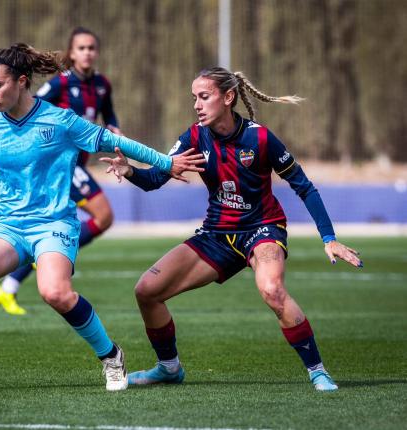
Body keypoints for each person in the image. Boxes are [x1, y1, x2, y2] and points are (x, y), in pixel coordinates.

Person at [0, 43, 206, 393]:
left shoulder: (61, 121)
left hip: (54, 224)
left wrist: (166, 162)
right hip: (8, 226)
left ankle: (111, 356)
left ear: (22, 82)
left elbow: (115, 141)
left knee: (55, 292)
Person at [100, 66, 362, 392]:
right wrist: (130, 171)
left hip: (262, 229)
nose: (196, 105)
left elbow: (304, 186)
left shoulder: (260, 137)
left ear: (228, 97)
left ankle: (318, 371)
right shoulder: (193, 137)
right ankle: (169, 369)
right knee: (146, 291)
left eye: (204, 97)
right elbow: (155, 180)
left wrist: (330, 238)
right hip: (217, 234)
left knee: (272, 290)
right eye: (194, 97)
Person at [0, 27, 121, 315]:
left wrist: (114, 128)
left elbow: (109, 114)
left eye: (91, 48)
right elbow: (32, 107)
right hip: (62, 165)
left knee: (77, 221)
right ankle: (49, 254)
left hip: (79, 164)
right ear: (71, 53)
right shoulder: (61, 82)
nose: (87, 52)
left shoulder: (102, 85)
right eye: (81, 48)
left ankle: (10, 285)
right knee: (104, 216)